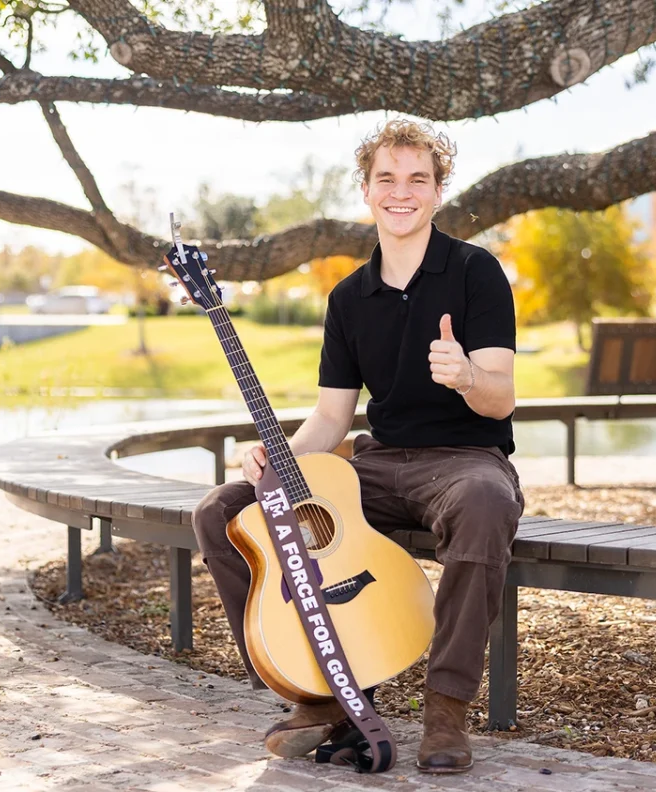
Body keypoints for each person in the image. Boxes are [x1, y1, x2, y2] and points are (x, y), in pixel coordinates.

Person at [190, 119, 522, 774]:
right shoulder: (347, 297)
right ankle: (317, 692)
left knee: (485, 501)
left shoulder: (475, 272)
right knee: (224, 514)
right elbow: (331, 418)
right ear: (367, 191)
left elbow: (501, 398)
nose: (402, 192)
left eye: (417, 179)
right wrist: (273, 452)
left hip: (465, 462)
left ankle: (446, 707)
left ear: (437, 190)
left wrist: (467, 376)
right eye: (387, 179)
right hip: (376, 463)